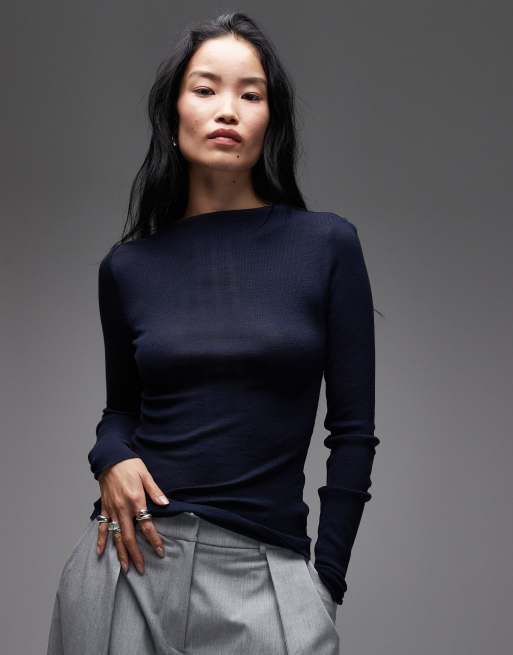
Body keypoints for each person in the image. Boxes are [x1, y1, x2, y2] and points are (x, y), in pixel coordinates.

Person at [46, 11, 380, 655]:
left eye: (250, 95)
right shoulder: (128, 267)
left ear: (270, 121)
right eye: (205, 89)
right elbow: (122, 411)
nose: (228, 109)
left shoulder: (326, 246)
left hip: (265, 572)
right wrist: (109, 455)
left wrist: (326, 583)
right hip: (128, 563)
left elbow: (353, 433)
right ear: (173, 113)